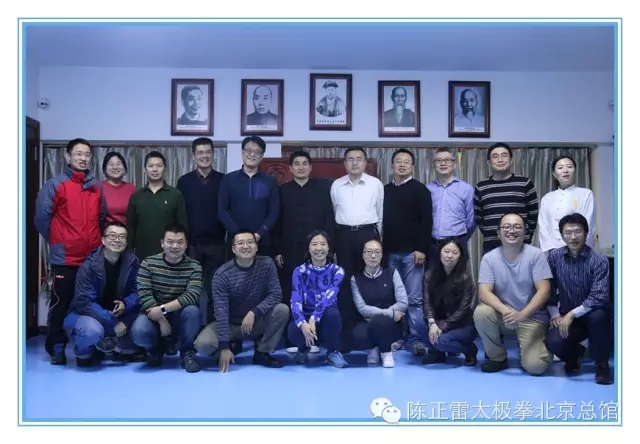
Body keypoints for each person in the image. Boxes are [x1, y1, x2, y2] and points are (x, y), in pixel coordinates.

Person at [34, 138, 107, 364]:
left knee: (91, 303)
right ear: (68, 156)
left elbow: (101, 218)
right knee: (61, 304)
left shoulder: (97, 187)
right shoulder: (55, 184)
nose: (83, 158)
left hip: (92, 258)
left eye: (87, 154)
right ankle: (56, 347)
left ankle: (88, 346)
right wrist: (59, 242)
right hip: (65, 258)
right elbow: (41, 219)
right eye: (78, 154)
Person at [194, 230, 289, 372]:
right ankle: (226, 353)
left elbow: (276, 294)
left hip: (256, 321)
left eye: (250, 242)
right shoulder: (222, 274)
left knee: (282, 310)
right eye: (240, 243)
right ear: (233, 249)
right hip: (230, 324)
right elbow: (221, 311)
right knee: (202, 344)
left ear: (256, 247)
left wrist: (254, 312)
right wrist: (224, 346)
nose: (245, 246)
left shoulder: (267, 264)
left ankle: (262, 352)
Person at [474, 213, 552, 375]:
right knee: (482, 312)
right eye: (506, 227)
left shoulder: (536, 255)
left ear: (525, 232)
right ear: (498, 232)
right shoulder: (489, 258)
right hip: (505, 316)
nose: (511, 231)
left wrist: (522, 315)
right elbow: (484, 292)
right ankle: (497, 357)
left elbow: (544, 290)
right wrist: (506, 311)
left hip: (531, 317)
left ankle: (540, 348)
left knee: (536, 367)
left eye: (517, 227)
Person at [273, 150, 335, 352]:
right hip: (290, 251)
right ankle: (293, 338)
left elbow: (329, 219)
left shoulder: (323, 189)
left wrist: (329, 248)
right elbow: (277, 222)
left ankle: (318, 336)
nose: (301, 167)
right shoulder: (282, 191)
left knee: (318, 293)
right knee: (291, 292)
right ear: (291, 168)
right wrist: (277, 249)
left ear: (310, 167)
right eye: (296, 164)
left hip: (317, 251)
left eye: (304, 163)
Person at [63, 221, 144, 366]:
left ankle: (115, 346)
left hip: (120, 314)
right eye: (112, 235)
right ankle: (84, 353)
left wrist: (125, 304)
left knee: (143, 322)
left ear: (126, 242)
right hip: (90, 315)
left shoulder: (133, 263)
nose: (117, 240)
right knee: (91, 331)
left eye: (121, 237)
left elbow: (138, 292)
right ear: (103, 240)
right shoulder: (89, 266)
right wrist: (113, 322)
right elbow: (84, 302)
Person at [545, 213, 613, 385]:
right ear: (562, 235)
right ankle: (575, 356)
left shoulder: (599, 260)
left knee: (598, 317)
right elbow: (549, 288)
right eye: (568, 232)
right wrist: (554, 314)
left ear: (586, 233)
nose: (573, 237)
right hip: (568, 315)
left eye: (578, 232)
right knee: (553, 341)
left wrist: (572, 314)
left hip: (594, 314)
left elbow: (599, 296)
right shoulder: (554, 257)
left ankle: (601, 365)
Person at [330, 147, 384, 350]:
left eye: (359, 159)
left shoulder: (375, 184)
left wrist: (378, 242)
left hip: (368, 234)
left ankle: (370, 335)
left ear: (365, 162)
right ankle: (346, 335)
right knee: (344, 283)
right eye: (350, 159)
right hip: (344, 235)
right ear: (345, 163)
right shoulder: (336, 185)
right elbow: (334, 211)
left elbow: (380, 214)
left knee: (367, 281)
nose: (354, 163)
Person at [130, 224, 203, 373]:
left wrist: (163, 309)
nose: (175, 246)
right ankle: (155, 349)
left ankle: (187, 353)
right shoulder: (148, 263)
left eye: (180, 242)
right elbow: (144, 296)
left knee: (193, 311)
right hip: (153, 315)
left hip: (179, 315)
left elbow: (192, 295)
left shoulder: (194, 266)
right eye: (170, 241)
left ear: (186, 244)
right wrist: (161, 319)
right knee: (139, 331)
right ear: (162, 243)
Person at [382, 148, 432, 355]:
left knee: (413, 300)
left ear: (412, 166)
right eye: (398, 161)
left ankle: (416, 339)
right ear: (392, 165)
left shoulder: (420, 190)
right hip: (390, 254)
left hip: (413, 254)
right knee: (394, 299)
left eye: (406, 161)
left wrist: (421, 248)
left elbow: (426, 222)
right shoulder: (384, 190)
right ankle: (398, 337)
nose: (402, 164)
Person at [176, 137, 227, 324]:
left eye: (208, 152)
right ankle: (191, 332)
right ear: (193, 156)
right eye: (200, 152)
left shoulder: (224, 180)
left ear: (213, 154)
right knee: (191, 291)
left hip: (217, 244)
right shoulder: (184, 182)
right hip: (192, 245)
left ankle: (213, 330)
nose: (204, 156)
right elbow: (180, 213)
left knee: (216, 290)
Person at [287, 230, 347, 367]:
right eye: (314, 244)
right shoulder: (299, 271)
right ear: (308, 248)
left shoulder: (337, 271)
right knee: (293, 331)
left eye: (323, 244)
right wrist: (303, 324)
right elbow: (295, 300)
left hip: (326, 316)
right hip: (306, 316)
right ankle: (303, 348)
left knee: (333, 314)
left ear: (328, 248)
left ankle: (333, 351)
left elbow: (328, 298)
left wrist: (314, 318)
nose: (319, 248)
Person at [350, 239, 408, 368]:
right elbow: (362, 308)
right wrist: (392, 314)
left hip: (392, 324)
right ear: (363, 255)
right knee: (357, 335)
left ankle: (386, 353)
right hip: (370, 323)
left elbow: (403, 302)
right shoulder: (356, 279)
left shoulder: (392, 273)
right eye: (369, 252)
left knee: (381, 322)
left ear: (382, 255)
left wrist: (384, 316)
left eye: (377, 252)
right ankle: (377, 347)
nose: (373, 256)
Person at [218, 136, 280, 257]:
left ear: (262, 156)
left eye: (257, 152)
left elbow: (274, 211)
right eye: (249, 150)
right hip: (235, 242)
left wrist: (260, 233)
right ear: (242, 153)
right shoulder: (229, 179)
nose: (252, 154)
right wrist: (239, 235)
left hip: (263, 241)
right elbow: (222, 211)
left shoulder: (270, 181)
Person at [421, 238, 478, 366]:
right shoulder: (429, 275)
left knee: (442, 342)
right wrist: (432, 323)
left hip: (462, 325)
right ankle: (438, 353)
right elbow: (426, 302)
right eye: (446, 251)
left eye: (454, 253)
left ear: (460, 257)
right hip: (437, 321)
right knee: (419, 324)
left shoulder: (466, 278)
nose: (450, 256)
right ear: (440, 253)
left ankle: (469, 349)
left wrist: (442, 326)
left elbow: (463, 310)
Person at [474, 143, 539, 255]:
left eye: (504, 155)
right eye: (495, 156)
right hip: (491, 246)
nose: (500, 160)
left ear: (511, 160)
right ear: (489, 162)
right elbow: (479, 218)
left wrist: (525, 236)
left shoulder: (525, 183)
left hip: (521, 245)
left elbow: (533, 215)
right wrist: (493, 235)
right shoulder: (481, 187)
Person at [126, 151, 189, 261]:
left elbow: (183, 226)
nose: (155, 169)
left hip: (170, 255)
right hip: (142, 255)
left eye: (159, 166)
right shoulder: (136, 196)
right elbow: (130, 227)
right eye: (151, 166)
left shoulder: (175, 195)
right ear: (145, 169)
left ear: (164, 169)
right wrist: (129, 253)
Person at [538, 155, 596, 252]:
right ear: (554, 174)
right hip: (553, 251)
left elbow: (589, 223)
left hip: (578, 251)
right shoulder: (547, 198)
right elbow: (543, 226)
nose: (565, 170)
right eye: (560, 168)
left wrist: (579, 250)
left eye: (569, 167)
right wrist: (551, 250)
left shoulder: (585, 194)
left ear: (575, 171)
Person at [101, 151, 136, 225]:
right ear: (105, 169)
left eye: (118, 164)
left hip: (127, 230)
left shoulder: (131, 188)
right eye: (111, 164)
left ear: (124, 168)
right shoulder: (99, 187)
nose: (115, 167)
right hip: (106, 230)